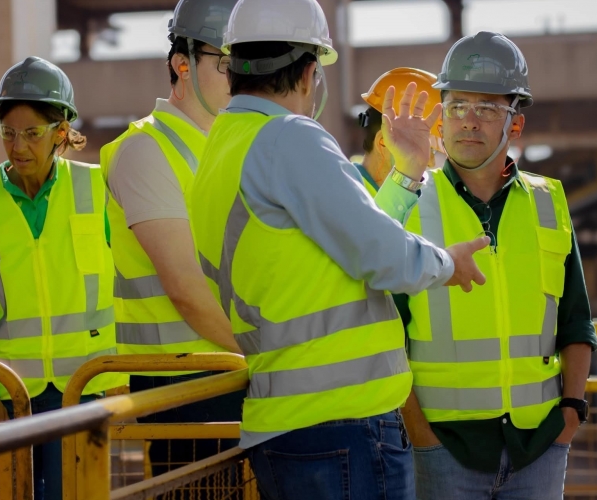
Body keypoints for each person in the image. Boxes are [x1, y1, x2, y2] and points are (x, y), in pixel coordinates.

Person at [188, 0, 491, 498]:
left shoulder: (223, 147)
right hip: (343, 423)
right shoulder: (288, 137)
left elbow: (350, 241)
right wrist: (446, 263)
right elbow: (380, 256)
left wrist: (407, 172)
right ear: (310, 73)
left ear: (232, 65)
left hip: (285, 423)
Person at [393, 32, 597, 500]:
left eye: (487, 108)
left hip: (539, 446)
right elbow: (387, 336)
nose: (469, 121)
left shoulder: (549, 202)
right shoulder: (409, 205)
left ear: (515, 124)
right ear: (440, 117)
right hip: (443, 449)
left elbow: (575, 321)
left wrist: (571, 411)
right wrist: (420, 435)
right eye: (456, 106)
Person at [0, 56, 125, 500]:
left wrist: (122, 373)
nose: (17, 147)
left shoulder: (99, 189)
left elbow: (126, 288)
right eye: (8, 132)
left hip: (84, 390)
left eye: (32, 133)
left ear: (60, 131)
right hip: (7, 393)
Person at [99, 0, 244, 481]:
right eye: (226, 62)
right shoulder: (145, 149)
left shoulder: (226, 147)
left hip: (233, 370)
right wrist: (268, 354)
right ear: (182, 64)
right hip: (182, 384)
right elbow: (184, 287)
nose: (239, 75)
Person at [355, 67, 444, 194]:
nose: (431, 163)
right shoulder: (349, 195)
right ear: (383, 142)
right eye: (425, 148)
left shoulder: (413, 195)